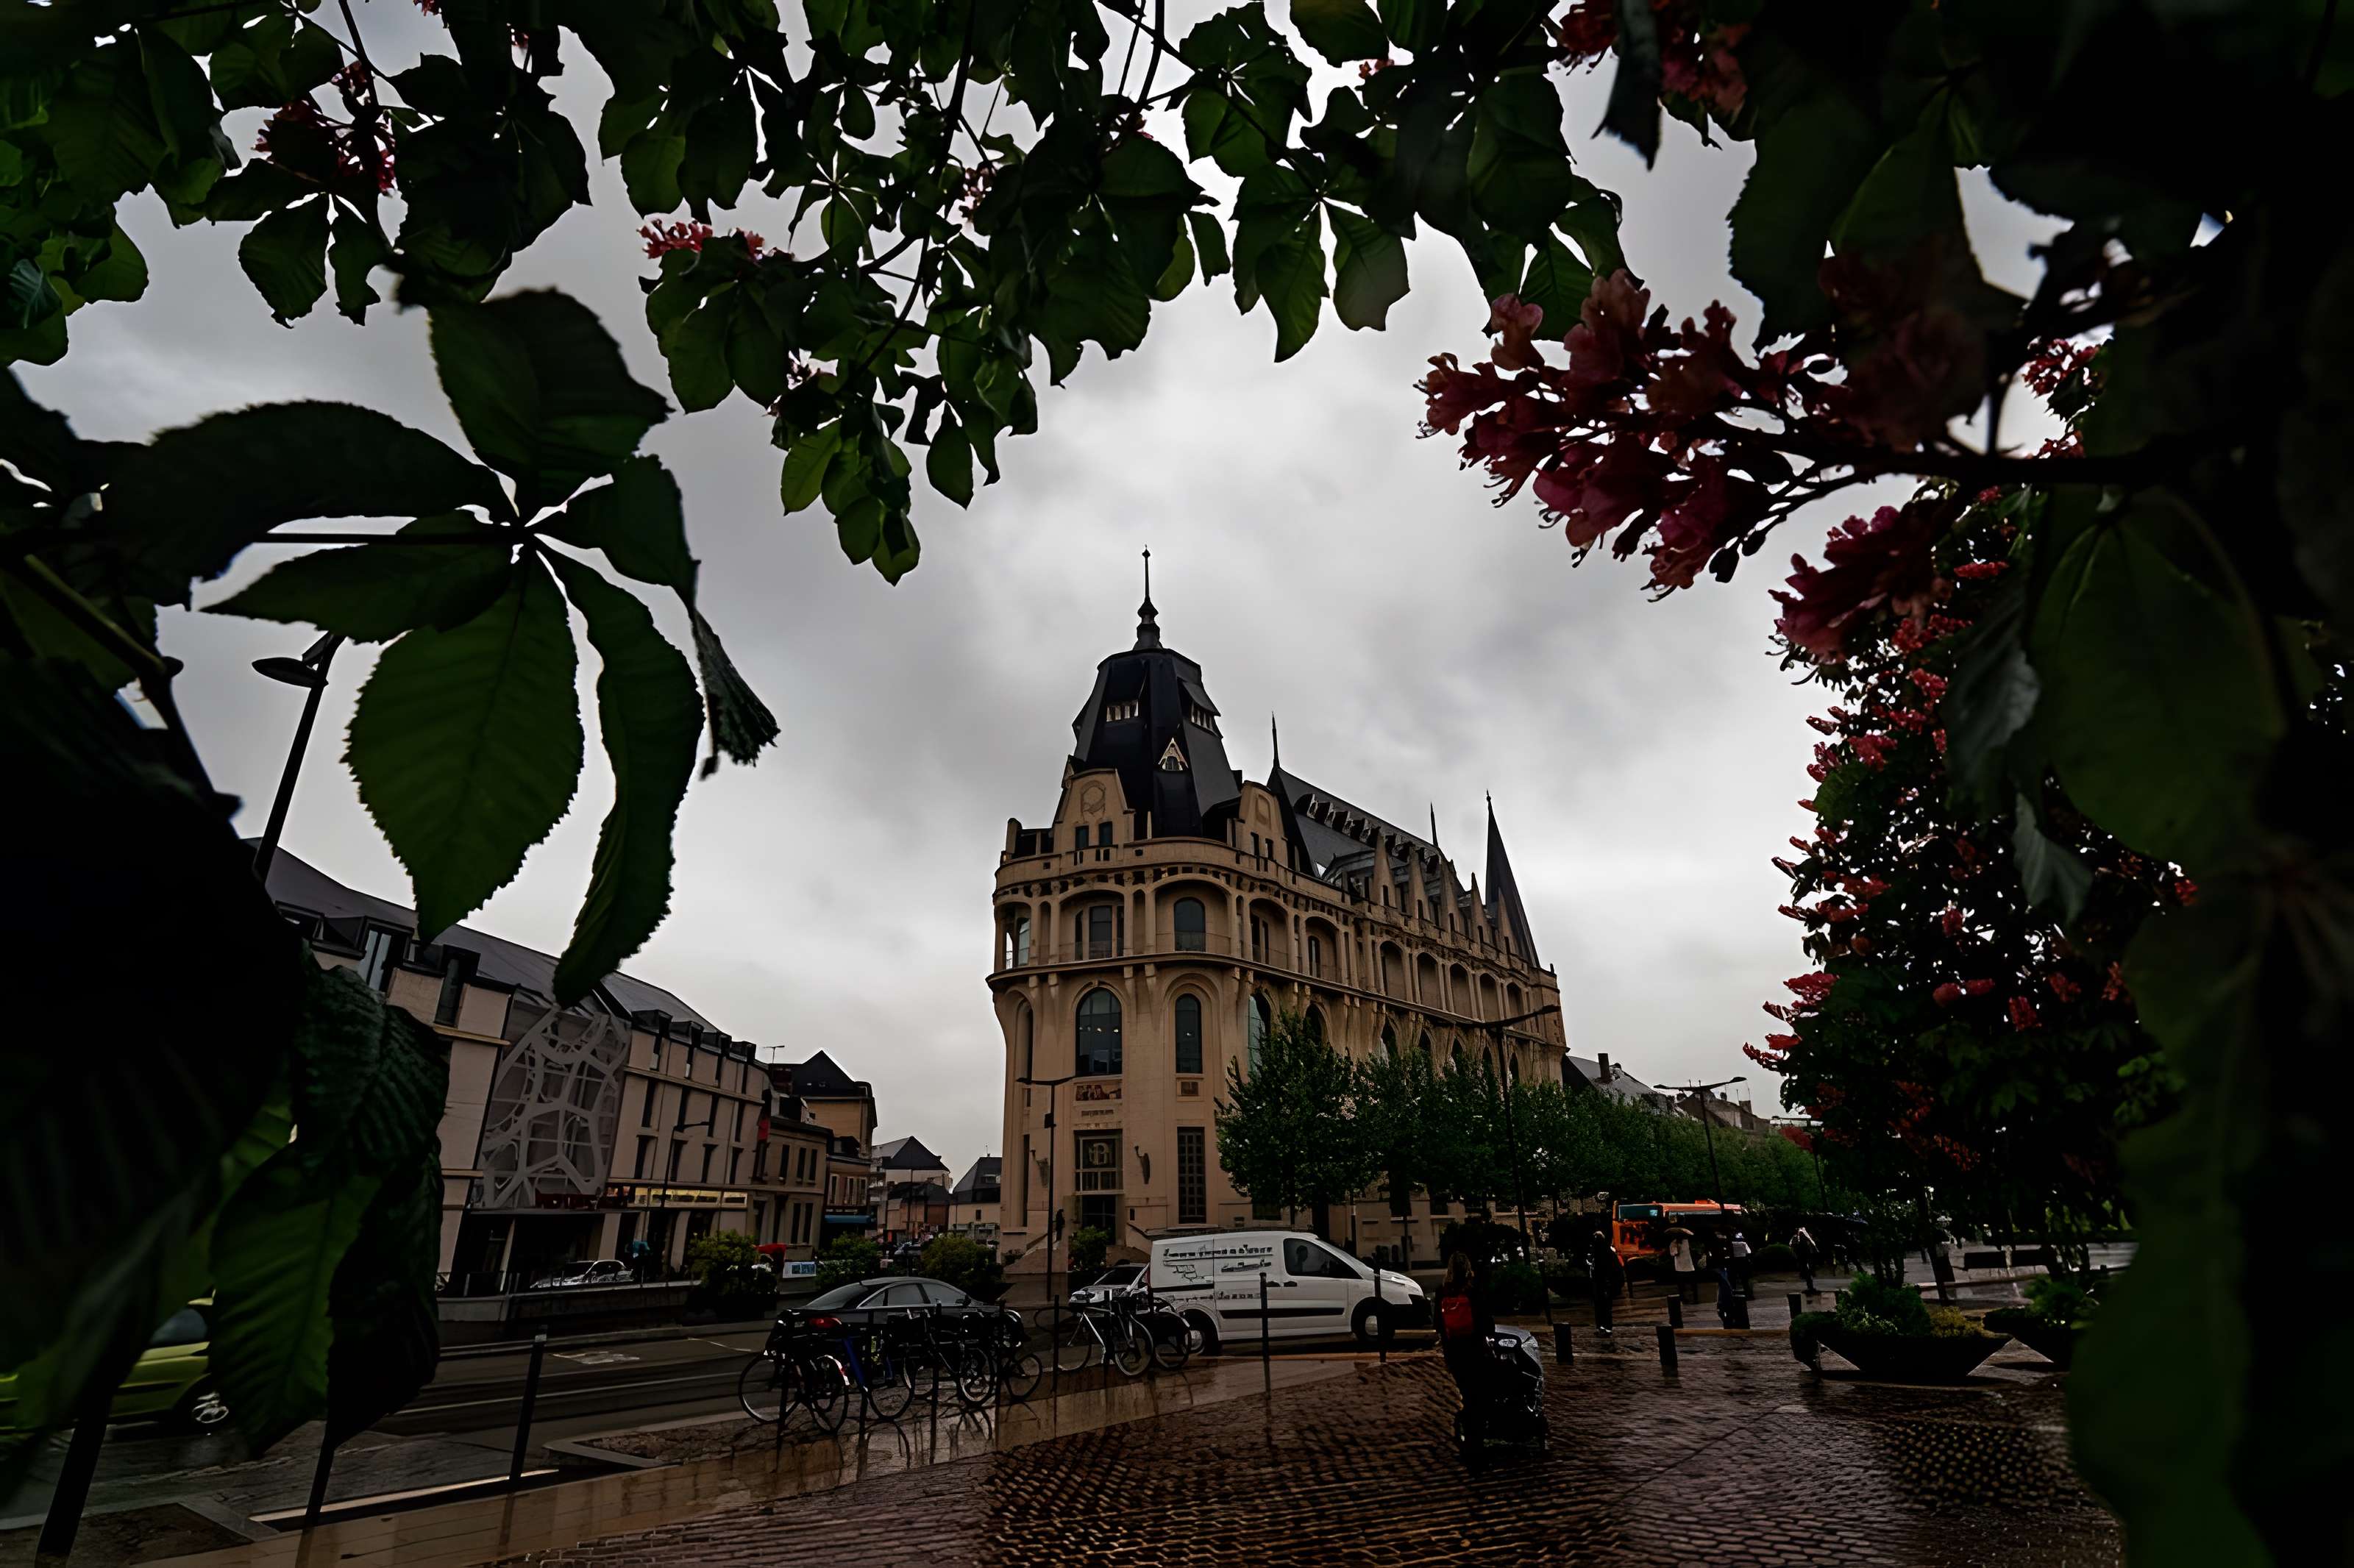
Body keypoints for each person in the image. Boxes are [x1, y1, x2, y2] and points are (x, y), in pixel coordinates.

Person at [1435, 1252, 1494, 1461]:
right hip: (1475, 1351)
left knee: (1467, 1394)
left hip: (1455, 1354)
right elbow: (1488, 1324)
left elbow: (1438, 1326)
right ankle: (1476, 1442)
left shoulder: (1442, 1292)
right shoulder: (1473, 1291)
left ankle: (1469, 1439)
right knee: (1479, 1396)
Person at [1587, 1225, 1624, 1336]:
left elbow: (1613, 1270)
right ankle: (1602, 1327)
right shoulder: (1600, 1253)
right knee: (1601, 1307)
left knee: (1604, 1307)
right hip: (1600, 1283)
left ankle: (1606, 1328)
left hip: (1604, 1284)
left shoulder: (1605, 1253)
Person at [1668, 1228, 1698, 1303]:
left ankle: (1691, 1298)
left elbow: (1673, 1254)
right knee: (1685, 1285)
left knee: (1687, 1284)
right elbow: (1674, 1254)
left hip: (1685, 1266)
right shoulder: (1675, 1243)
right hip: (1684, 1266)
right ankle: (1688, 1299)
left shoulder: (1682, 1242)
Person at [1792, 1225, 1819, 1294]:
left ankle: (1810, 1287)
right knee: (1808, 1273)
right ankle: (1810, 1287)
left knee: (1808, 1273)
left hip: (1806, 1259)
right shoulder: (1804, 1241)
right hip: (1806, 1259)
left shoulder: (1804, 1241)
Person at [1729, 1229, 1753, 1299]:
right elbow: (1749, 1252)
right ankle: (1749, 1295)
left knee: (1732, 1280)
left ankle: (1732, 1296)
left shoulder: (1731, 1244)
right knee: (1745, 1280)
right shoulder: (1744, 1244)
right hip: (1743, 1262)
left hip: (1733, 1262)